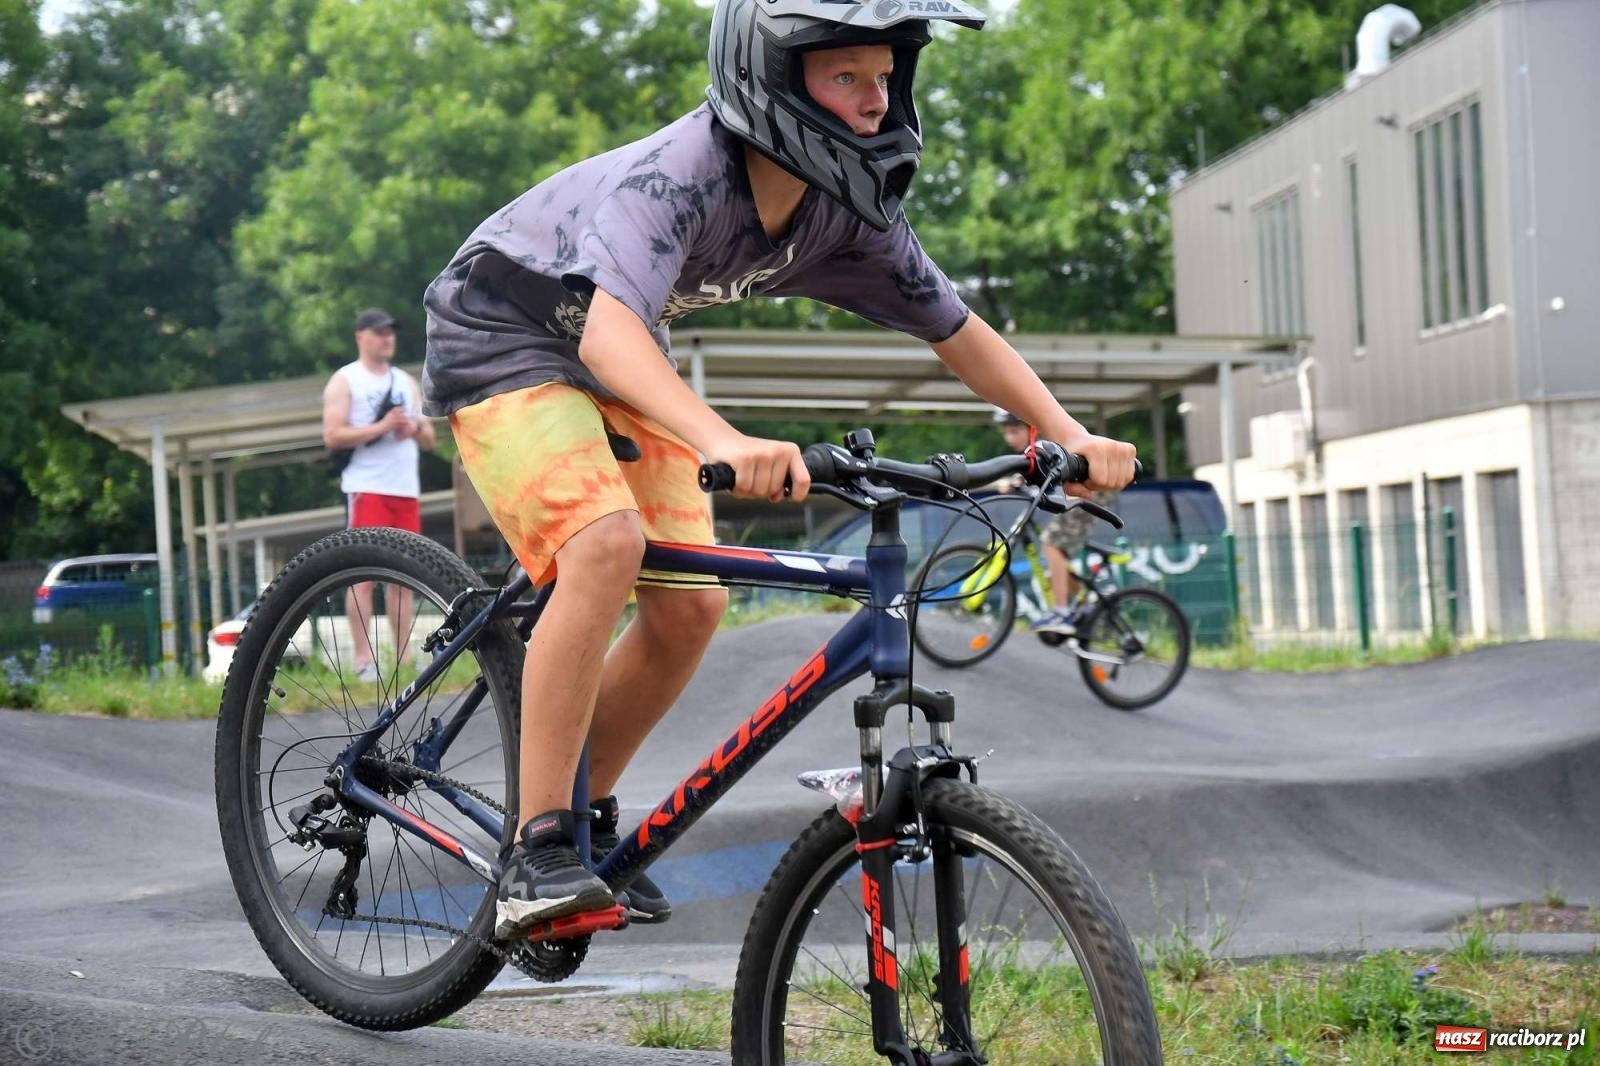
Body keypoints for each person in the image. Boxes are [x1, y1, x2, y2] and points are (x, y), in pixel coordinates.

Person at [421, 0, 1139, 939]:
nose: (876, 102)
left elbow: (956, 329)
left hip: (618, 354)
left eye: (884, 78)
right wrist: (720, 438)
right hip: (504, 336)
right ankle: (536, 849)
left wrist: (1063, 433)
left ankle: (586, 813)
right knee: (606, 548)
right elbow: (604, 329)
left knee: (691, 603)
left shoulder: (846, 213)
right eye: (847, 78)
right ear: (772, 77)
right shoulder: (680, 176)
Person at [321, 307, 436, 682]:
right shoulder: (345, 380)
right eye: (378, 332)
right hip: (366, 487)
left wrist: (412, 428)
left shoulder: (405, 381)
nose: (386, 338)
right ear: (361, 337)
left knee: (404, 578)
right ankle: (363, 658)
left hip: (404, 489)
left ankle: (403, 658)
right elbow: (333, 435)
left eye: (390, 332)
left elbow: (431, 437)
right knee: (363, 576)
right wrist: (382, 426)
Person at [994, 408, 1119, 635]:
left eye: (1014, 431)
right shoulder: (1038, 443)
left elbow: (1047, 467)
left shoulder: (1047, 439)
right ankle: (1090, 607)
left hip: (1094, 489)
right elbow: (1034, 471)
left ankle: (1061, 613)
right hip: (1088, 486)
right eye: (1006, 432)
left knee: (1052, 543)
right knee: (1055, 572)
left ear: (1029, 429)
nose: (1009, 438)